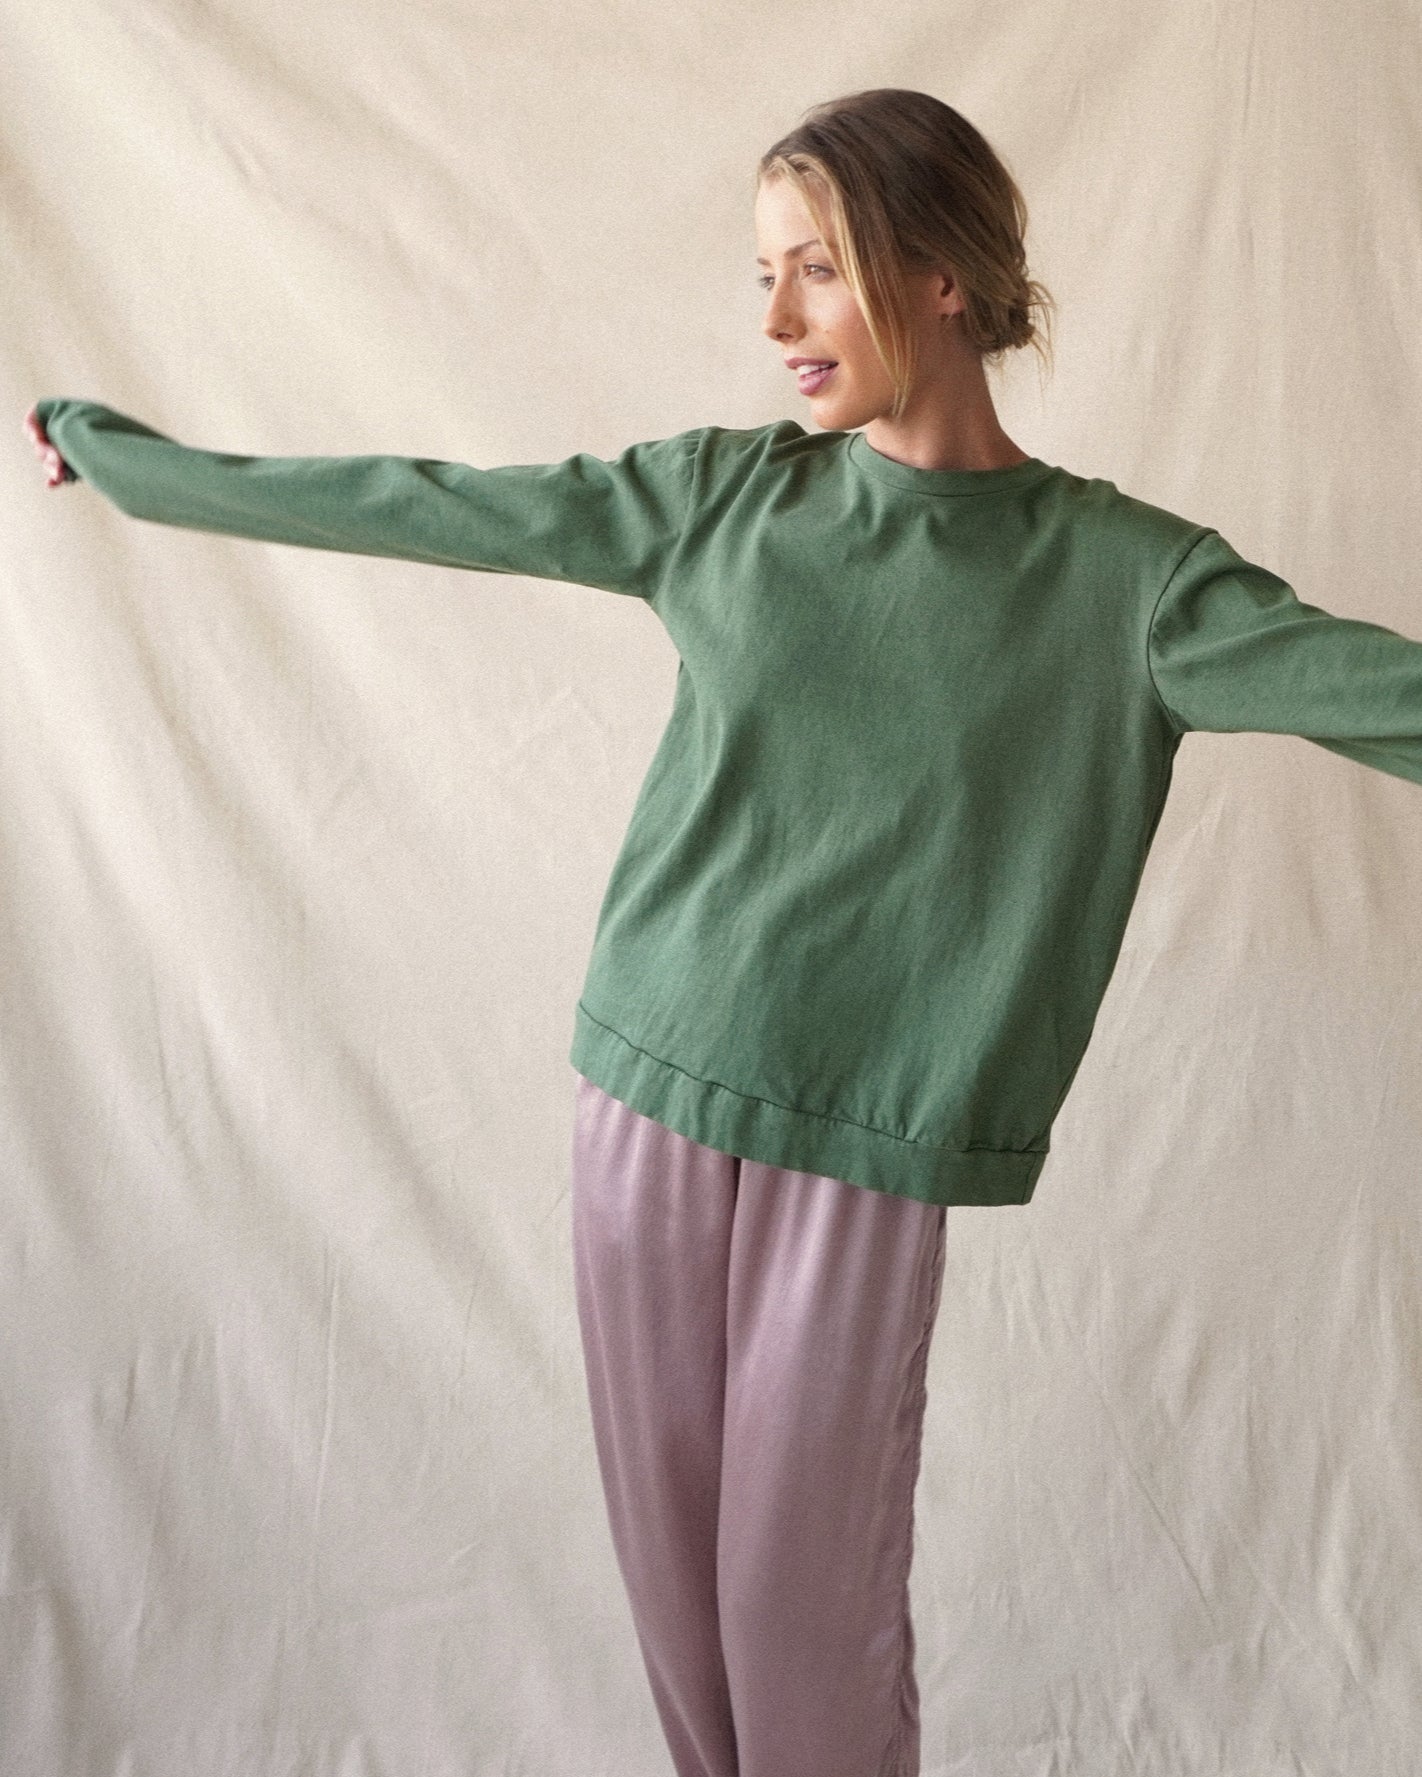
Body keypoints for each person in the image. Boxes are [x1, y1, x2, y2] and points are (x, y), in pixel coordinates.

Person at [24, 86, 1422, 1777]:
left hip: (862, 1136)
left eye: (814, 269)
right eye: (765, 274)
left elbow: (1379, 688)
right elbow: (423, 501)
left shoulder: (1126, 582)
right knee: (681, 1607)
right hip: (645, 1088)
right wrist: (139, 467)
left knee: (795, 1610)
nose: (774, 322)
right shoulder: (721, 500)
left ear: (941, 279)